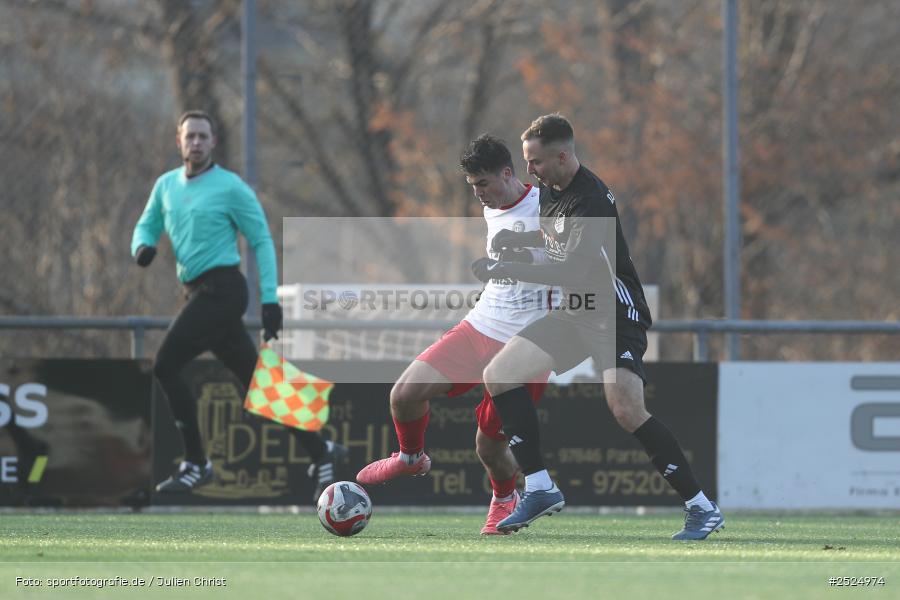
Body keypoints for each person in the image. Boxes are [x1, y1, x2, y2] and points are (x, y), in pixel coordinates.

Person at [476, 114, 724, 540]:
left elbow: (572, 267)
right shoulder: (551, 191)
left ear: (563, 155)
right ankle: (538, 487)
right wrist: (517, 244)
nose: (528, 170)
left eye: (534, 161)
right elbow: (553, 242)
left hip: (613, 313)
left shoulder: (591, 199)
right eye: (526, 161)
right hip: (576, 311)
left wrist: (506, 267)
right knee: (499, 375)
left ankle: (701, 508)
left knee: (626, 409)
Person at [131, 110, 345, 501]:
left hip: (224, 291)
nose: (195, 142)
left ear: (213, 143)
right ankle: (320, 449)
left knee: (164, 364)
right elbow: (146, 225)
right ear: (178, 141)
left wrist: (269, 301)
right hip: (196, 293)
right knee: (258, 385)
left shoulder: (231, 187)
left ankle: (197, 463)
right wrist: (141, 247)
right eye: (189, 136)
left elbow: (260, 239)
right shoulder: (165, 186)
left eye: (202, 136)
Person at [356, 134, 553, 535]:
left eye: (483, 184)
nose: (478, 194)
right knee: (403, 395)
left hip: (524, 345)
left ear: (507, 173)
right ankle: (411, 458)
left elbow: (567, 262)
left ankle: (504, 497)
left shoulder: (548, 205)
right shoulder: (491, 208)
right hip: (480, 324)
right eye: (472, 186)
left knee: (488, 446)